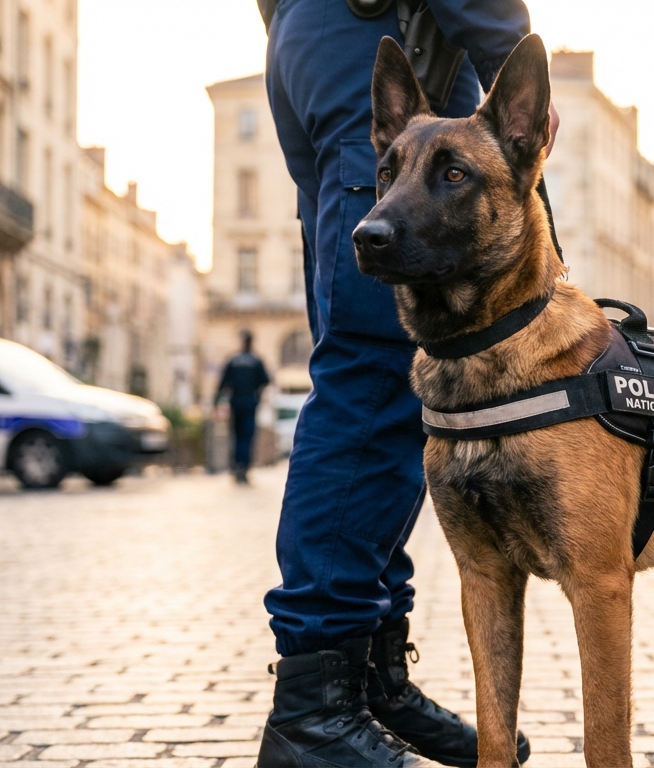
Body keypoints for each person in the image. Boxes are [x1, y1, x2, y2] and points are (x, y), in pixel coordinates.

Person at [256, 2, 548, 766]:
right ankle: (316, 711)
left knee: (369, 365)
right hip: (365, 28)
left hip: (311, 38)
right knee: (376, 376)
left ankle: (372, 683)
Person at [214, 329, 271, 484]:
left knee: (236, 436)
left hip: (236, 403)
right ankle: (244, 467)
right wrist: (257, 394)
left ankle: (237, 465)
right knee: (247, 436)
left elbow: (222, 384)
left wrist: (217, 403)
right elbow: (266, 380)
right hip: (250, 403)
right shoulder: (256, 360)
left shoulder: (233, 360)